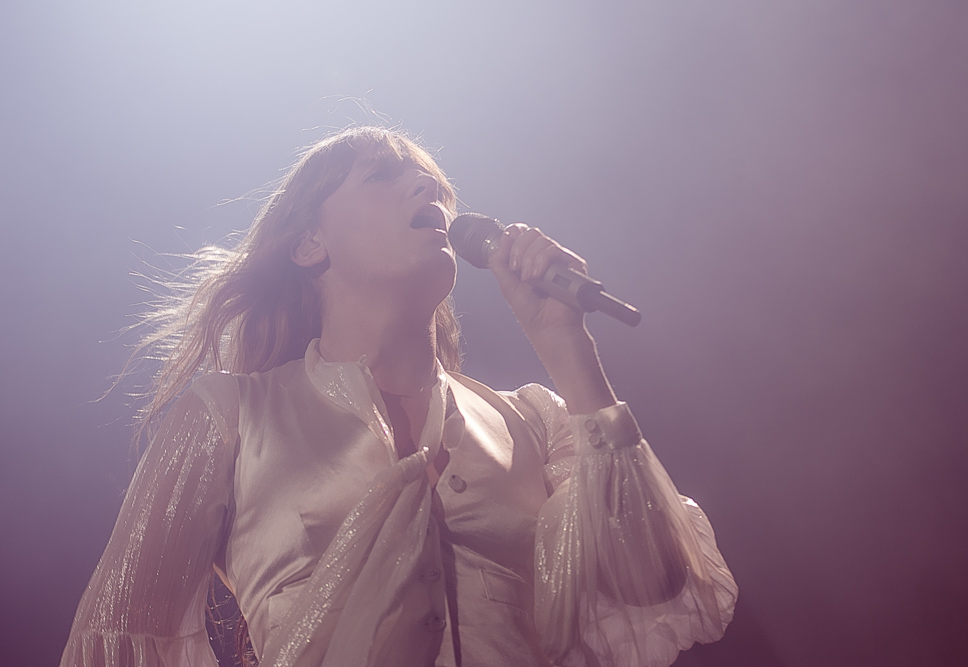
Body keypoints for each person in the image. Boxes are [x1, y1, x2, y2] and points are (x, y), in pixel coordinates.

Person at [60, 126, 737, 667]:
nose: (426, 186)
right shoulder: (229, 415)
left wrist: (565, 344)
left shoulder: (533, 422)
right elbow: (117, 641)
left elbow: (650, 578)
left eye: (434, 182)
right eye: (383, 174)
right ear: (309, 243)